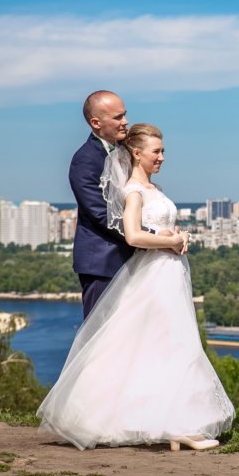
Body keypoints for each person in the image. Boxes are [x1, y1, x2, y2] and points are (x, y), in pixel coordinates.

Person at [38, 123, 234, 451]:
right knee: (170, 344)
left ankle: (176, 426)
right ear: (137, 153)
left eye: (163, 151)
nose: (162, 157)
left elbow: (160, 228)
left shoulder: (154, 188)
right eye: (156, 152)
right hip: (155, 273)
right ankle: (179, 427)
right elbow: (133, 236)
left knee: (171, 344)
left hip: (171, 273)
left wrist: (179, 236)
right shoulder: (133, 191)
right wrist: (168, 241)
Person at [70, 90, 185, 319]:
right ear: (96, 122)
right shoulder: (85, 160)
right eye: (118, 117)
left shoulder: (125, 150)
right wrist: (156, 236)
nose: (125, 122)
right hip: (103, 263)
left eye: (125, 115)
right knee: (100, 336)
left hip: (137, 262)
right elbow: (102, 215)